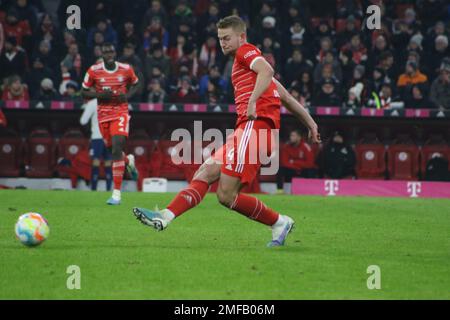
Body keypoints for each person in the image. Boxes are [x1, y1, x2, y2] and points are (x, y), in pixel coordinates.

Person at [133, 16, 321, 247]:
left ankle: (279, 222)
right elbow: (288, 98)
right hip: (246, 131)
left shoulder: (246, 52)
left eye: (227, 38)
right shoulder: (251, 70)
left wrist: (252, 102)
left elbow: (267, 69)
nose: (223, 43)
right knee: (204, 172)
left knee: (226, 195)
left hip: (255, 128)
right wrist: (311, 123)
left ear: (241, 37)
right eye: (220, 39)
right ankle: (166, 216)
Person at [81, 42, 140, 205]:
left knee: (116, 148)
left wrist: (127, 96)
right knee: (114, 152)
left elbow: (136, 84)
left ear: (115, 53)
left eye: (111, 52)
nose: (109, 55)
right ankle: (128, 161)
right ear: (101, 54)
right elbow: (83, 91)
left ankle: (116, 194)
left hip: (120, 113)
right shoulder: (93, 71)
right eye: (106, 52)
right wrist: (99, 94)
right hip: (103, 116)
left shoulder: (126, 69)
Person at [80, 98, 113, 191]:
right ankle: (109, 190)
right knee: (108, 162)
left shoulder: (93, 103)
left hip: (97, 137)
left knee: (96, 161)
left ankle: (94, 189)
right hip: (110, 137)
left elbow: (83, 121)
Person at [276, 129, 317, 193]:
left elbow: (310, 163)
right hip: (292, 170)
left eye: (293, 136)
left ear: (299, 137)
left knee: (311, 171)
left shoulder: (305, 147)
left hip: (303, 170)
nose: (291, 137)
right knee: (281, 170)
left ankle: (310, 190)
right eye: (291, 136)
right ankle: (279, 190)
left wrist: (294, 162)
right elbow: (284, 162)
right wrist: (297, 166)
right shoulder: (286, 146)